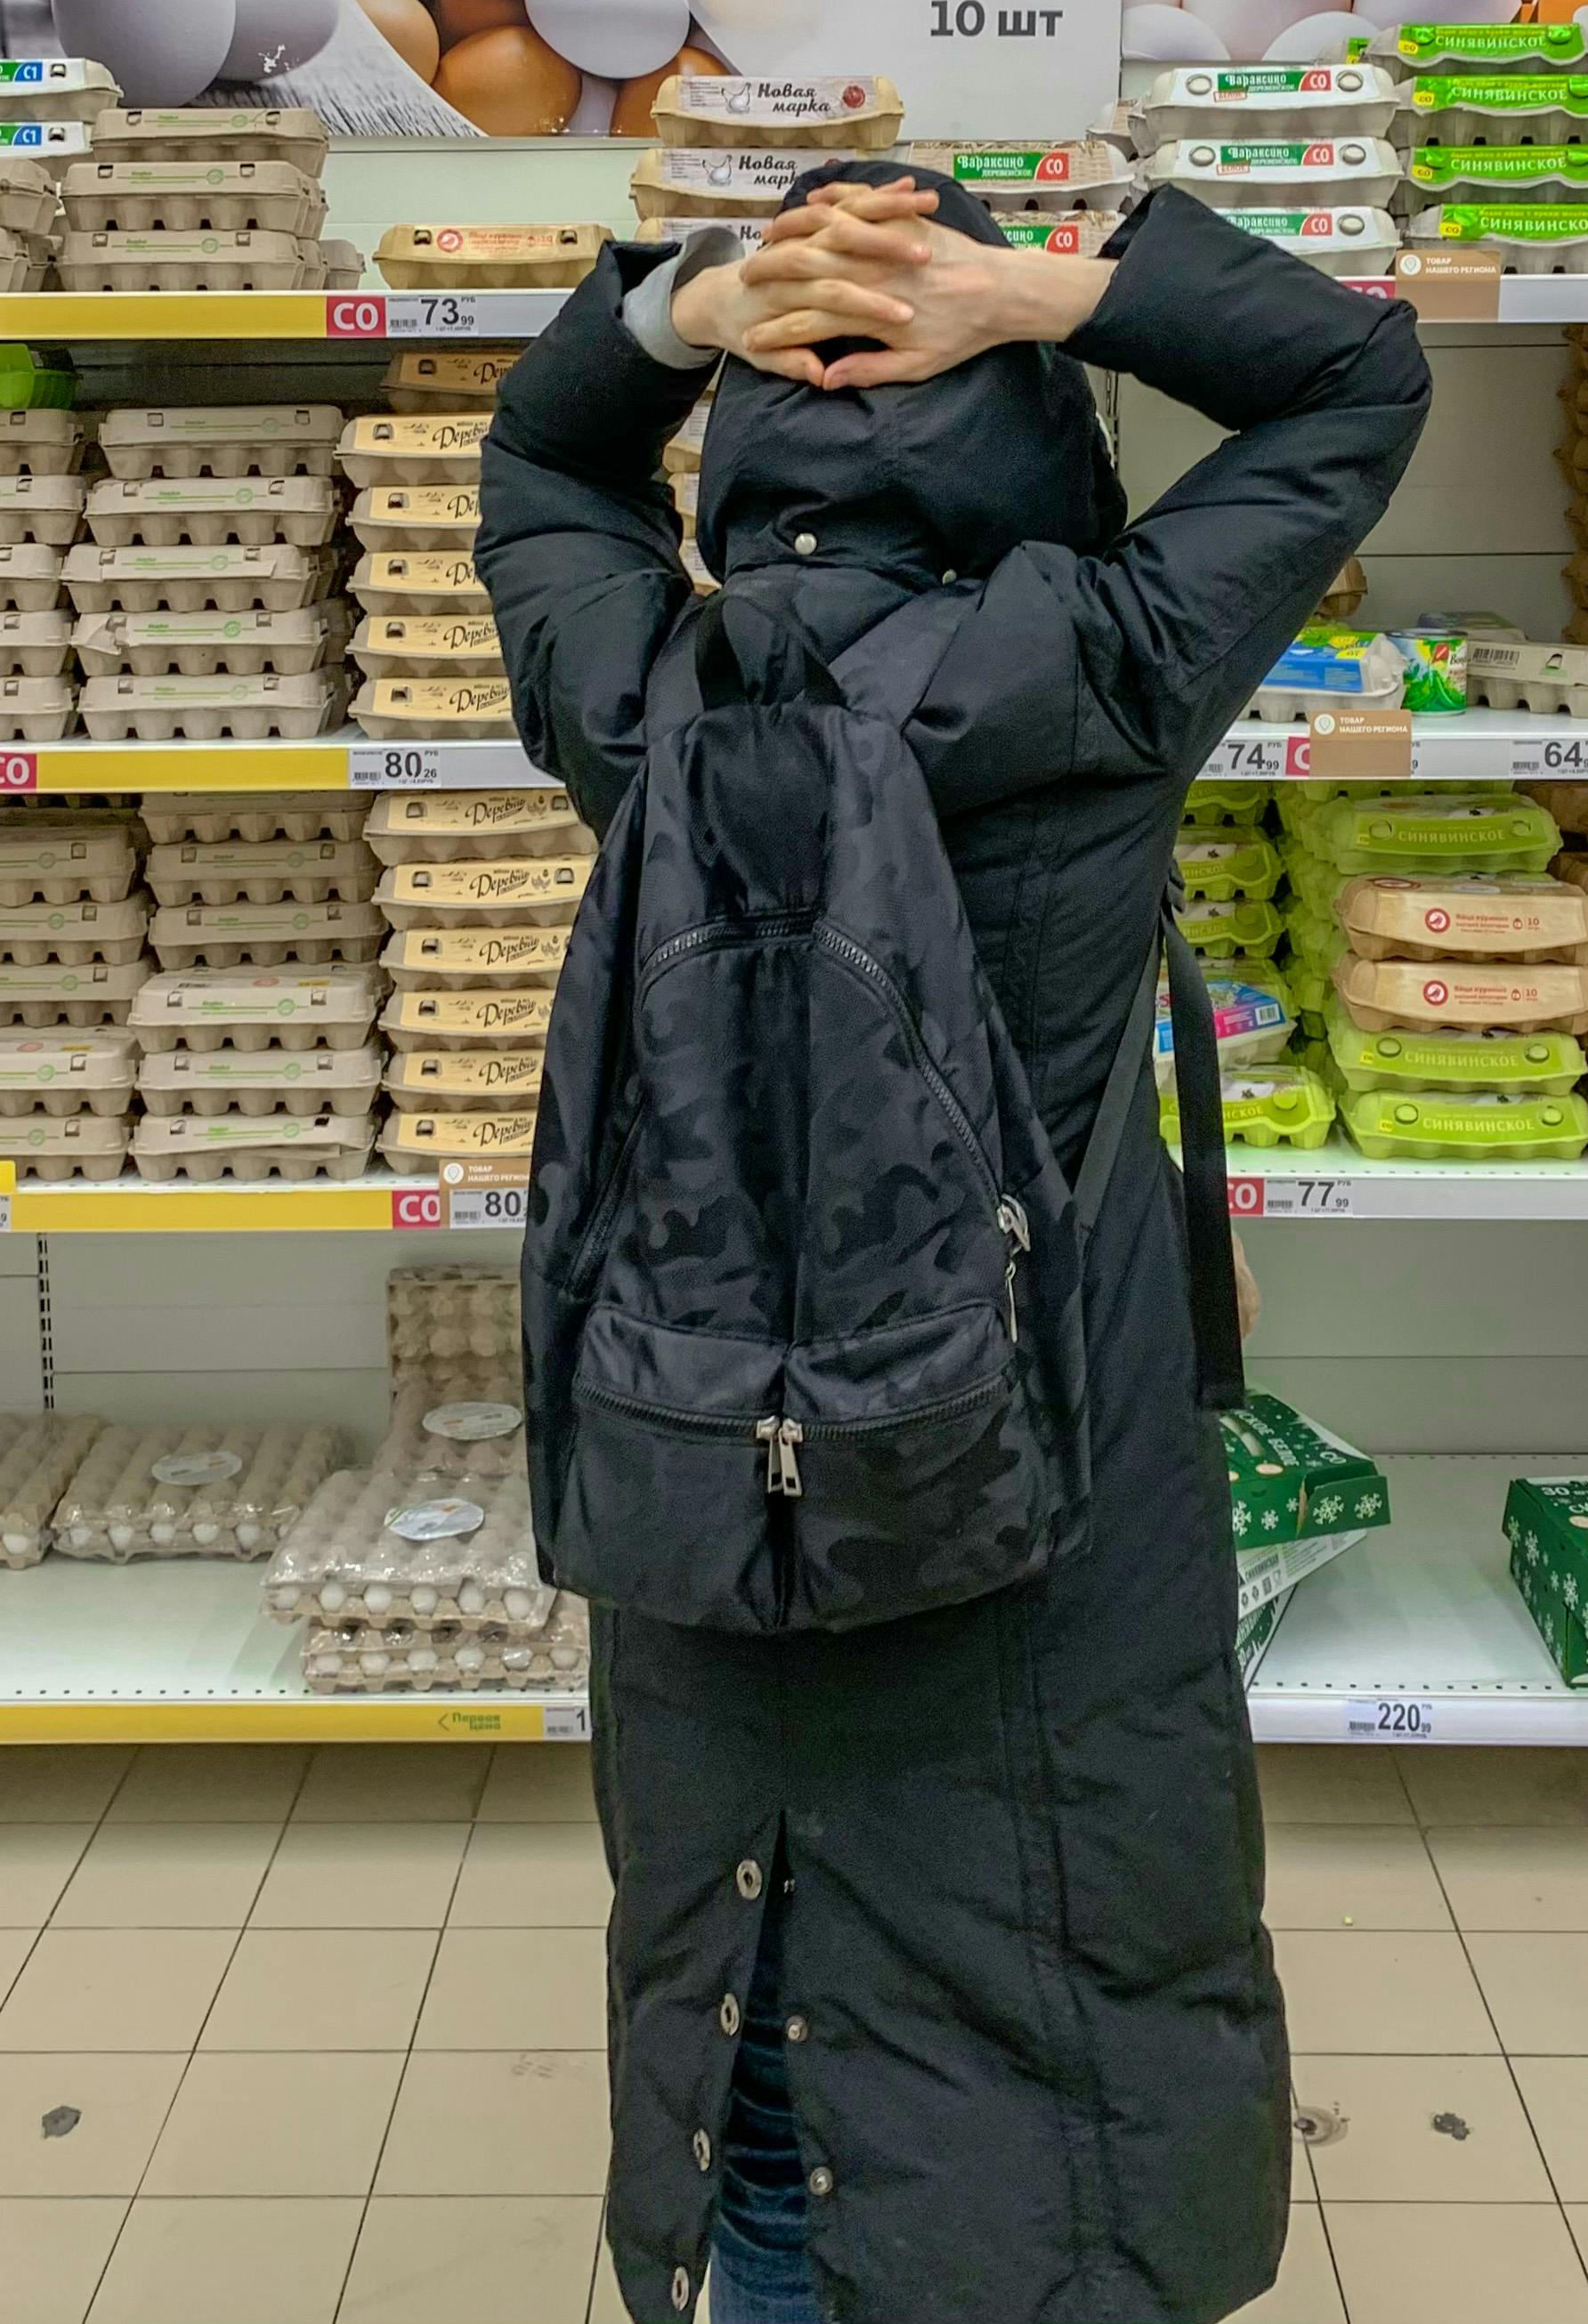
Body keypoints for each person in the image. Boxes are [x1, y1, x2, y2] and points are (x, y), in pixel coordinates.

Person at [476, 164, 1430, 2324]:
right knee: (1052, 1906)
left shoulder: (635, 698)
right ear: (1041, 444)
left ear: (737, 462)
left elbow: (541, 453)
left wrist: (694, 306)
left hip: (699, 1455)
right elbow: (1352, 377)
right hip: (1041, 1445)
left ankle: (771, 2242)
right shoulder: (1093, 661)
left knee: (756, 1947)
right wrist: (1048, 290)